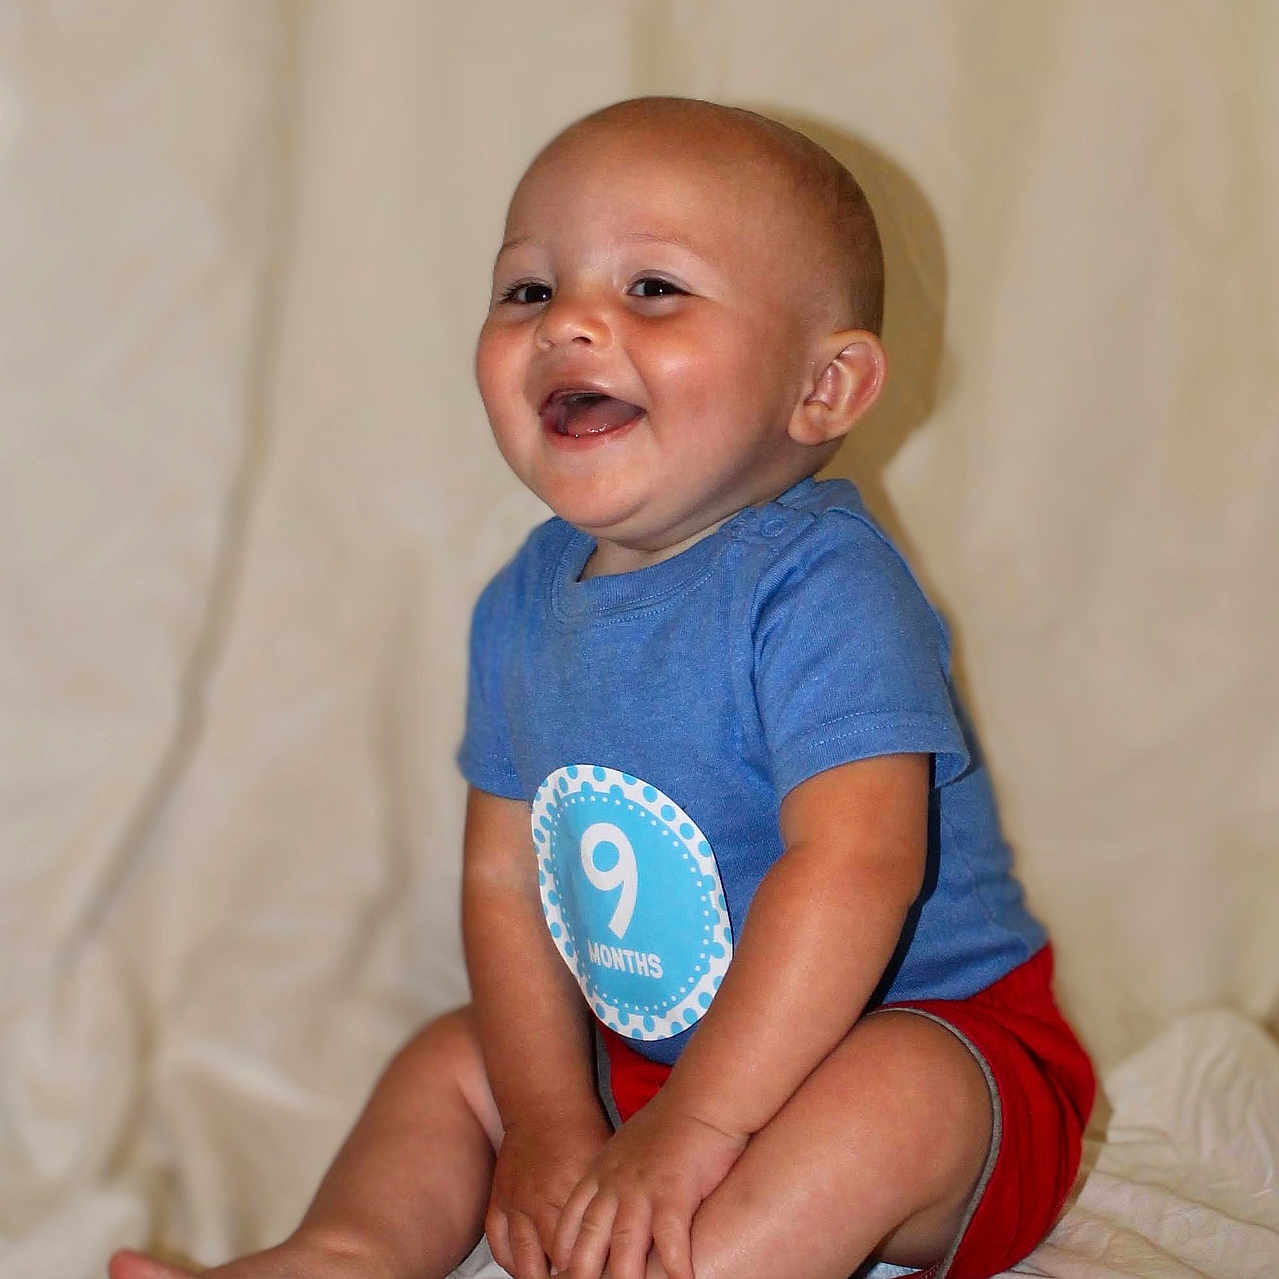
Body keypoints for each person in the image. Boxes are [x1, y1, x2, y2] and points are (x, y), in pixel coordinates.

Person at [110, 96, 1094, 1279]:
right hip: (659, 1061)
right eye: (529, 289)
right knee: (455, 1056)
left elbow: (855, 867)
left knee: (895, 1092)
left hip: (932, 1038)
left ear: (824, 388)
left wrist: (701, 1127)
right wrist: (547, 1118)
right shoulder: (521, 604)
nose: (568, 321)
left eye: (654, 288)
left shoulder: (824, 587)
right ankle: (344, 1255)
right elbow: (502, 877)